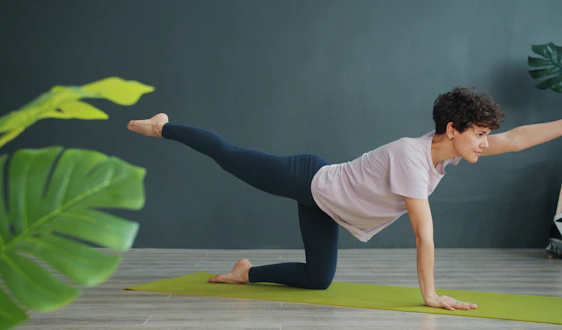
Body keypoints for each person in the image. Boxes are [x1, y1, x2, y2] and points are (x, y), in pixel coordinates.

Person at [127, 87, 562, 312]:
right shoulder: (414, 159)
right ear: (453, 129)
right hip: (308, 178)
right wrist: (430, 295)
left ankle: (247, 273)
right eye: (480, 135)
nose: (486, 144)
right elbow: (423, 235)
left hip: (327, 203)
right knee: (231, 157)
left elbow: (519, 139)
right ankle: (163, 126)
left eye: (487, 135)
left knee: (319, 280)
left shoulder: (444, 155)